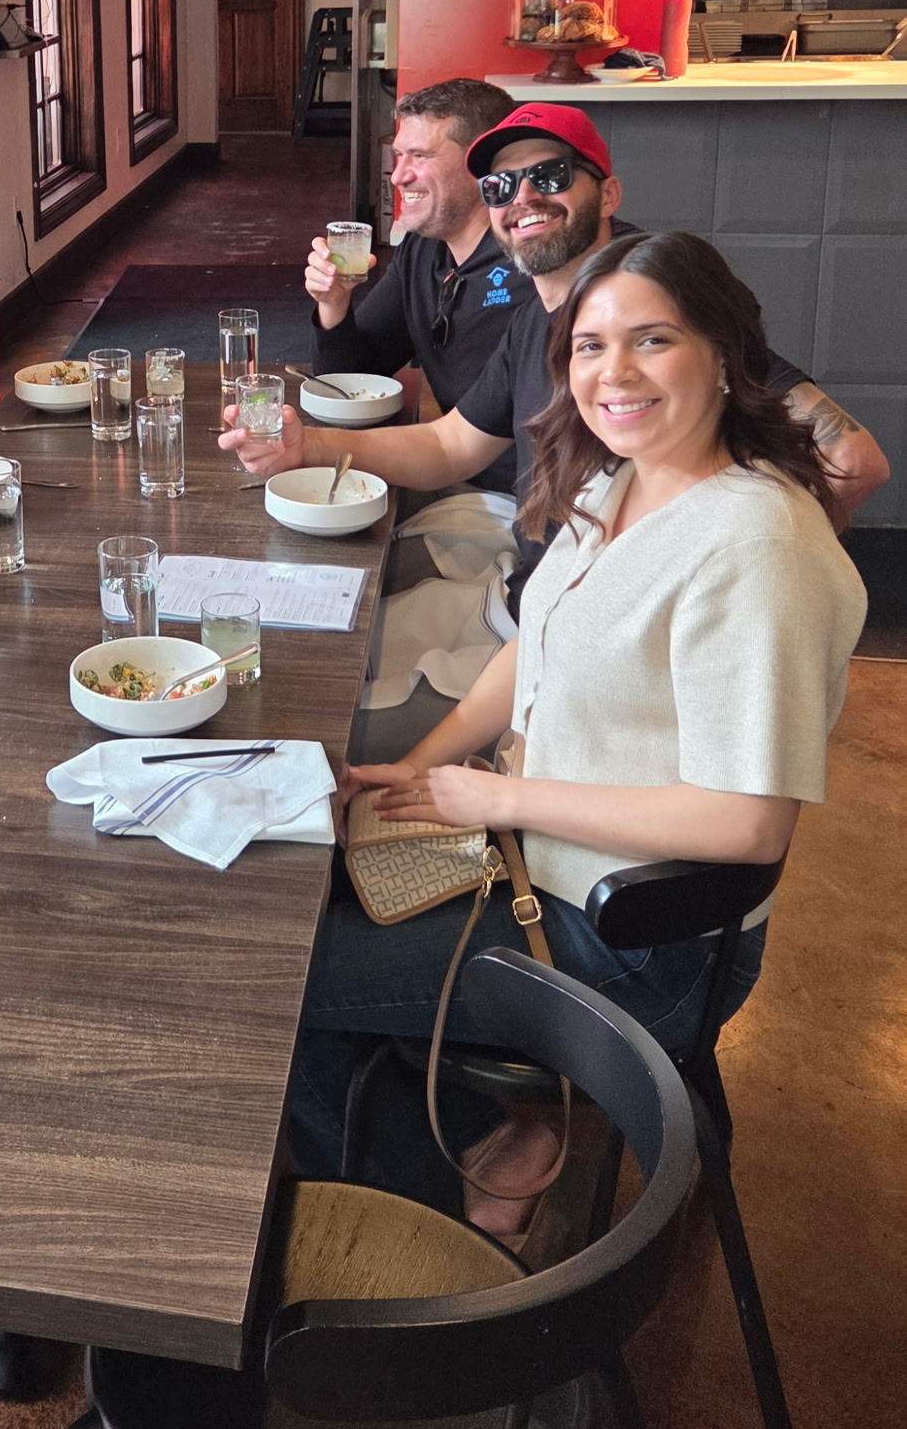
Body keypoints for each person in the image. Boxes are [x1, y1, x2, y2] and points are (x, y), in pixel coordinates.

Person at [287, 233, 867, 1228]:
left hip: (634, 943)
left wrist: (498, 794)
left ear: (724, 355)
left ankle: (424, 1225)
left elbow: (747, 824)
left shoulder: (754, 545)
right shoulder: (624, 476)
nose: (614, 372)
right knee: (286, 897)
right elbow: (534, 644)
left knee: (272, 981)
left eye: (652, 339)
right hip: (533, 872)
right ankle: (469, 1131)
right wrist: (415, 767)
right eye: (591, 345)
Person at [223, 103, 890, 604]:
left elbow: (853, 460)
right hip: (532, 600)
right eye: (499, 186)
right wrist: (305, 446)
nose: (522, 198)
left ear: (608, 194)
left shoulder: (659, 295)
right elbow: (450, 446)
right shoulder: (531, 317)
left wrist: (763, 593)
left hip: (577, 633)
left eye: (549, 175)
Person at [308, 77, 523, 485]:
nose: (398, 177)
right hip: (452, 474)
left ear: (486, 166)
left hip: (517, 496)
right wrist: (334, 305)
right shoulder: (423, 249)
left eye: (420, 156)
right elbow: (351, 381)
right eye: (399, 155)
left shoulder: (533, 263)